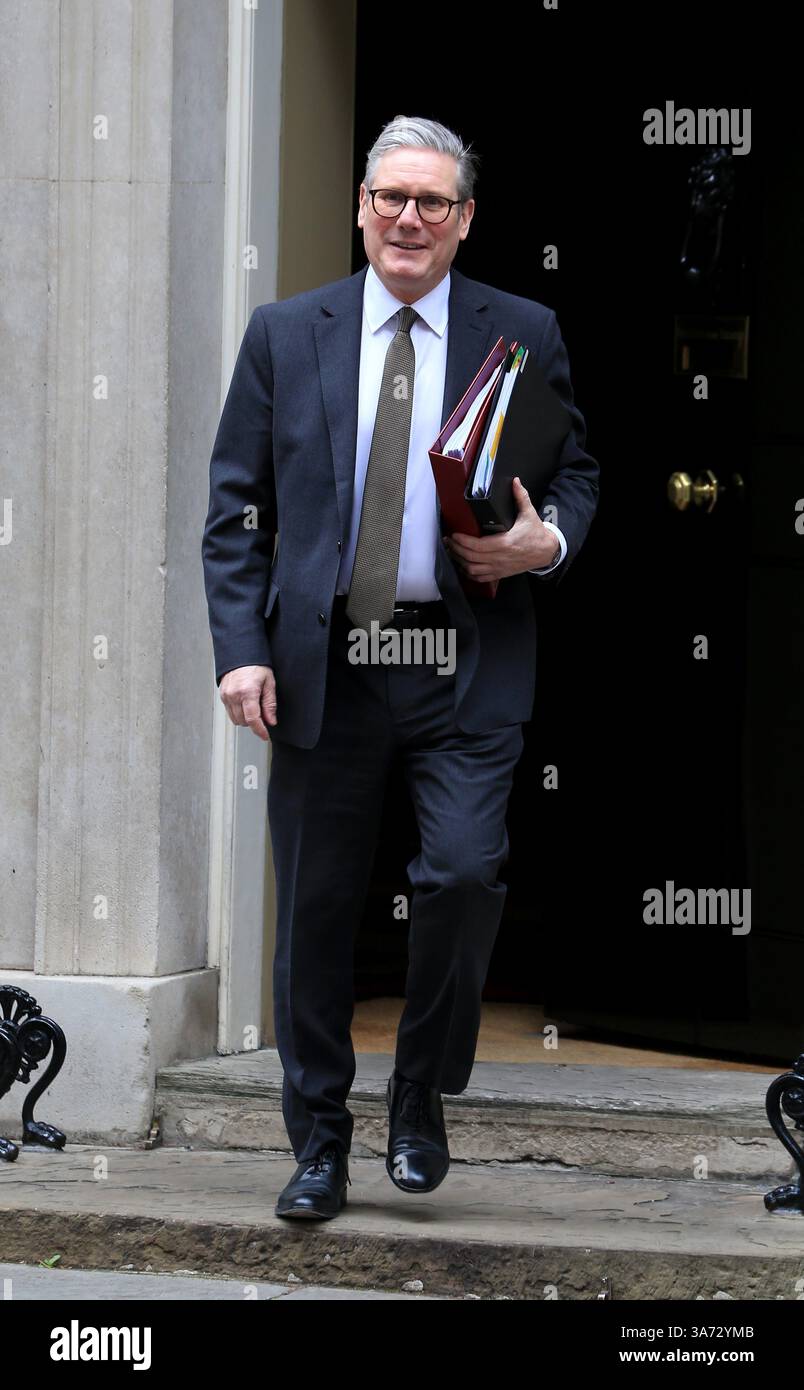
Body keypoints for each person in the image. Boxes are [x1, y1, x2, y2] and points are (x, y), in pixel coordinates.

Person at [201, 114, 599, 1220]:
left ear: (466, 219)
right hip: (326, 661)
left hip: (463, 662)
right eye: (391, 198)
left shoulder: (522, 329)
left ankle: (418, 1092)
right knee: (318, 912)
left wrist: (542, 543)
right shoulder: (287, 333)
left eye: (432, 201)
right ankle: (319, 1141)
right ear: (361, 207)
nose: (408, 218)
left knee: (464, 876)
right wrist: (241, 652)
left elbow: (577, 477)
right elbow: (235, 512)